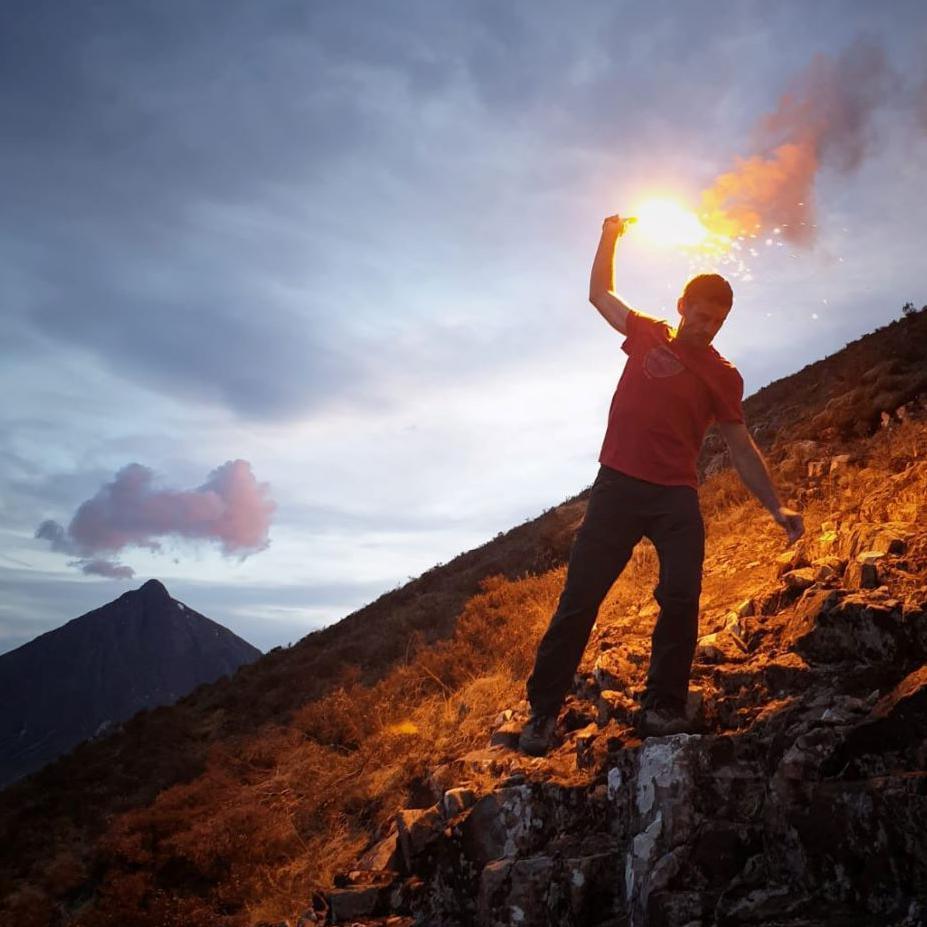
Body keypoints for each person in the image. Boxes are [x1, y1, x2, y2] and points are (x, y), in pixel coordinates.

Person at [518, 214, 804, 756]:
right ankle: (542, 714)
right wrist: (608, 237)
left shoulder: (724, 375)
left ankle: (662, 707)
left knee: (681, 597)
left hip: (675, 496)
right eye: (700, 315)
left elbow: (741, 447)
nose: (707, 327)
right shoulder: (648, 332)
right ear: (681, 306)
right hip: (617, 489)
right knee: (580, 601)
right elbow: (599, 293)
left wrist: (776, 507)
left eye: (717, 321)